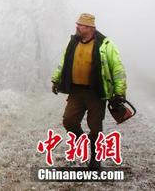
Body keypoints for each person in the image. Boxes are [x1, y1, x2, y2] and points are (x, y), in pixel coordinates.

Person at [51, 13, 127, 170]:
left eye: (80, 25)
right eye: (77, 24)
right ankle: (84, 141)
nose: (77, 27)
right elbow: (63, 63)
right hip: (76, 91)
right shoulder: (73, 43)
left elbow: (118, 69)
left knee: (95, 127)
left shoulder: (105, 45)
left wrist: (119, 93)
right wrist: (56, 79)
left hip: (96, 92)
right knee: (69, 121)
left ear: (90, 28)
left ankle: (95, 159)